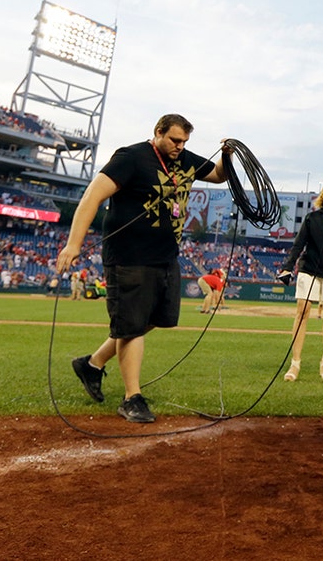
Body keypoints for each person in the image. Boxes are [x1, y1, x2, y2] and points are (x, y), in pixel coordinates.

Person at [57, 113, 229, 423]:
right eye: (174, 140)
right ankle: (131, 398)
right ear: (158, 132)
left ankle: (92, 364)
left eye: (184, 142)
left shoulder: (186, 159)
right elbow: (92, 197)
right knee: (133, 326)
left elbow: (218, 175)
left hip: (165, 256)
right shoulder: (131, 157)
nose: (179, 146)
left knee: (156, 319)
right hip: (128, 256)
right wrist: (73, 244)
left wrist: (228, 156)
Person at [278, 180, 323, 381]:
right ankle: (295, 364)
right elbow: (298, 245)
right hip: (308, 270)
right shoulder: (311, 218)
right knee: (302, 311)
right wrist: (287, 266)